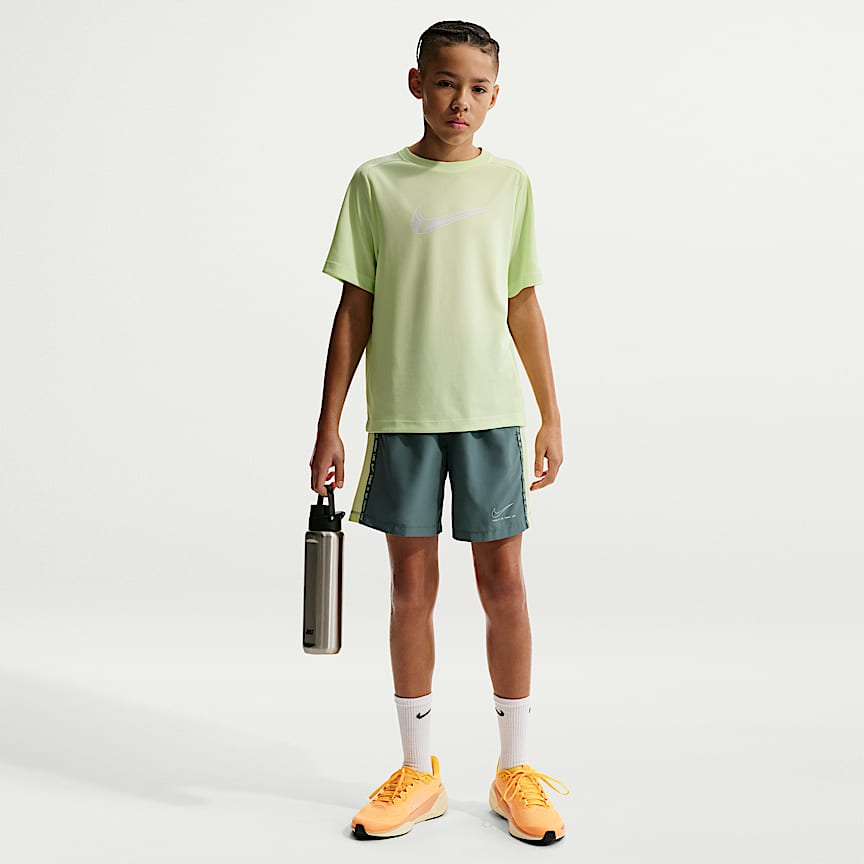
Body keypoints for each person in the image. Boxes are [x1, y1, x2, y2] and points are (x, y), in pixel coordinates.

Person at [309, 19, 568, 846]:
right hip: (405, 419)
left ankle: (514, 769)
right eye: (447, 82)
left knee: (505, 587)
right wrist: (329, 425)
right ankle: (418, 772)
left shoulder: (511, 184)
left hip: (490, 415)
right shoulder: (376, 182)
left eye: (479, 87)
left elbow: (522, 302)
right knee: (410, 590)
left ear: (496, 96)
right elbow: (355, 309)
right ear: (417, 82)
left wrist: (551, 413)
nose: (462, 100)